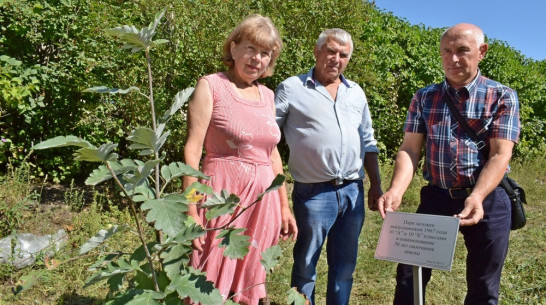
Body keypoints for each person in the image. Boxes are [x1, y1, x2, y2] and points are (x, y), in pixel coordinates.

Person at [378, 23, 520, 305]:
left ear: (482, 52)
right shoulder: (424, 96)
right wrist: (396, 190)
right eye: (447, 51)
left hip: (488, 199)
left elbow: (499, 154)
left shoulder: (502, 96)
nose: (453, 59)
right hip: (437, 197)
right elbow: (410, 149)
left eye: (462, 51)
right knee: (410, 275)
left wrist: (477, 197)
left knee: (483, 283)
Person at [183, 14, 298, 305]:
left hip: (262, 203)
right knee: (208, 277)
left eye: (265, 53)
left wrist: (285, 206)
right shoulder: (210, 86)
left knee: (249, 281)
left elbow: (271, 154)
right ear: (234, 48)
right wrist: (192, 209)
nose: (256, 59)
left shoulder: (268, 95)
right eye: (250, 48)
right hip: (220, 198)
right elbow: (193, 152)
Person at [275, 28, 382, 305]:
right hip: (313, 193)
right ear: (317, 51)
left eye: (343, 54)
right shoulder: (292, 88)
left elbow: (368, 141)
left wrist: (376, 185)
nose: (336, 59)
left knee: (344, 267)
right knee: (305, 265)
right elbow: (267, 136)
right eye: (331, 51)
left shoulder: (356, 92)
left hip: (353, 191)